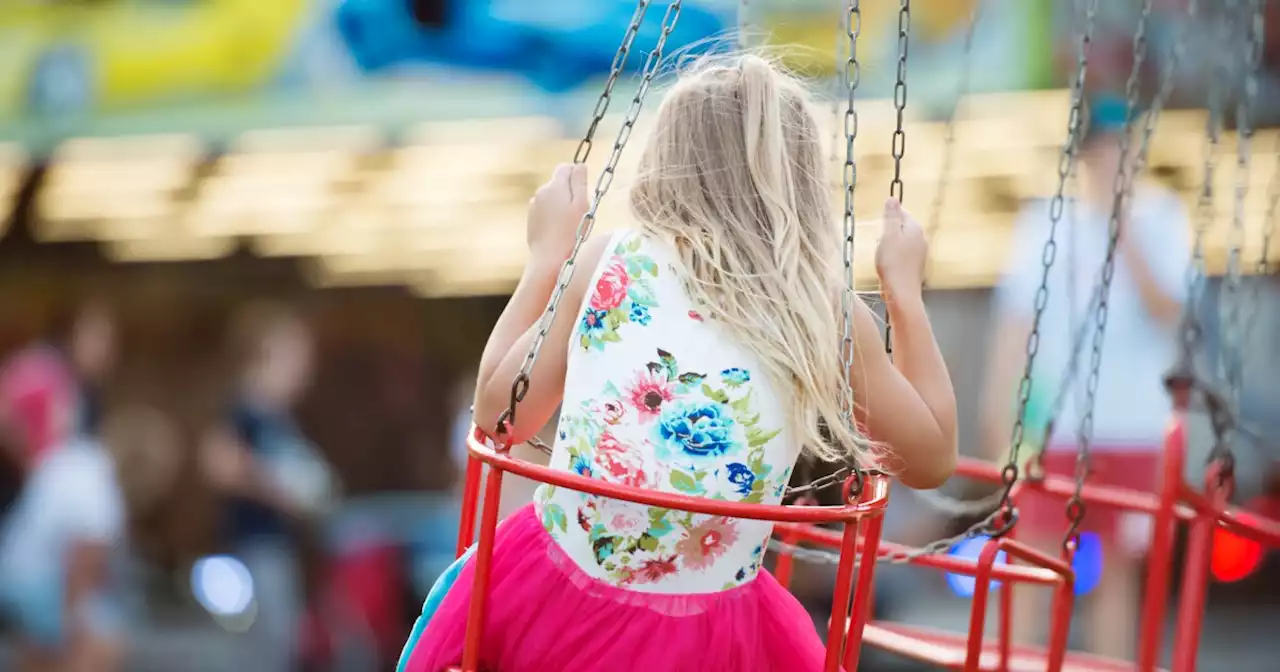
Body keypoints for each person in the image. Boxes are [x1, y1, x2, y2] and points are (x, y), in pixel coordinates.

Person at [401, 53, 958, 672]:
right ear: (800, 177)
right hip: (711, 632)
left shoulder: (610, 262)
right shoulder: (822, 314)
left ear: (665, 161)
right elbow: (932, 459)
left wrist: (546, 260)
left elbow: (500, 417)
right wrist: (904, 295)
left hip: (553, 600)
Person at [981, 95, 1190, 659]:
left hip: (1135, 425)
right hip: (1058, 427)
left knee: (1121, 573)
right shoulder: (1045, 222)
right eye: (1100, 152)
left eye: (1121, 151)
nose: (1110, 162)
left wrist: (1125, 230)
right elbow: (1015, 323)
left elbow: (1172, 312)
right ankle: (1018, 662)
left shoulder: (1164, 218)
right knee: (1033, 556)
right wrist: (998, 409)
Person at [200, 303, 338, 672]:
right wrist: (279, 489)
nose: (303, 372)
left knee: (282, 645)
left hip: (278, 548)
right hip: (254, 548)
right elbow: (218, 463)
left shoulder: (279, 418)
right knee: (264, 651)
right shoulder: (245, 409)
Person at [0, 404, 181, 672]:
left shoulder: (81, 455)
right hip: (35, 586)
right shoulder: (103, 495)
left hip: (11, 572)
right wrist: (74, 627)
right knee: (107, 637)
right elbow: (81, 569)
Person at [0, 297, 115, 474]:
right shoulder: (42, 369)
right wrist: (24, 461)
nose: (105, 350)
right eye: (97, 337)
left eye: (109, 341)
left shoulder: (88, 390)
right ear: (71, 334)